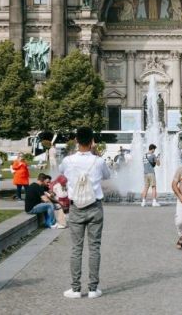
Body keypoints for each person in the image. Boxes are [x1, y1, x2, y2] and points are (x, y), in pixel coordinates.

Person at [60, 126, 112, 299]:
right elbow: (107, 176)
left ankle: (75, 289)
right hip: (95, 206)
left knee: (76, 248)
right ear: (92, 141)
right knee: (94, 248)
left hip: (76, 207)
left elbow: (61, 172)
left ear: (76, 141)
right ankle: (92, 289)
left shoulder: (68, 161)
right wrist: (95, 152)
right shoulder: (98, 161)